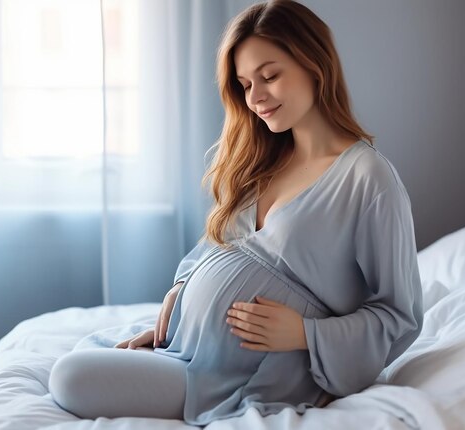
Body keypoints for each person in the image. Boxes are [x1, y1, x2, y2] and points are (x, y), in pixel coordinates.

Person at [48, 0, 423, 425]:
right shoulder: (265, 161)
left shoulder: (367, 177)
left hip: (241, 376)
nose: (256, 97)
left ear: (314, 65)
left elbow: (399, 316)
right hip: (187, 348)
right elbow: (214, 247)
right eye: (245, 84)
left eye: (270, 76)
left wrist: (306, 334)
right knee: (81, 356)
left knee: (69, 376)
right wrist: (181, 294)